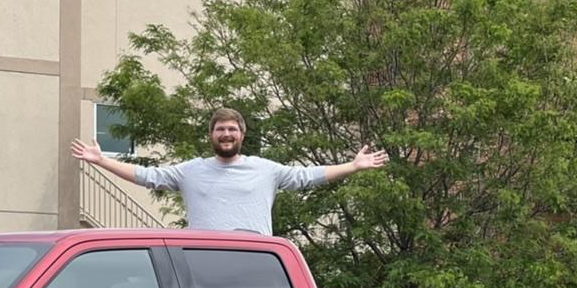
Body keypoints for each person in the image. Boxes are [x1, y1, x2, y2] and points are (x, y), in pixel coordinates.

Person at [70, 108, 388, 235]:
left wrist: (354, 165)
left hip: (254, 259)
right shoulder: (191, 171)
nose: (226, 134)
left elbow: (306, 176)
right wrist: (102, 161)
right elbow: (149, 176)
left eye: (232, 129)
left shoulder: (265, 170)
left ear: (242, 135)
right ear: (212, 135)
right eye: (220, 129)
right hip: (203, 260)